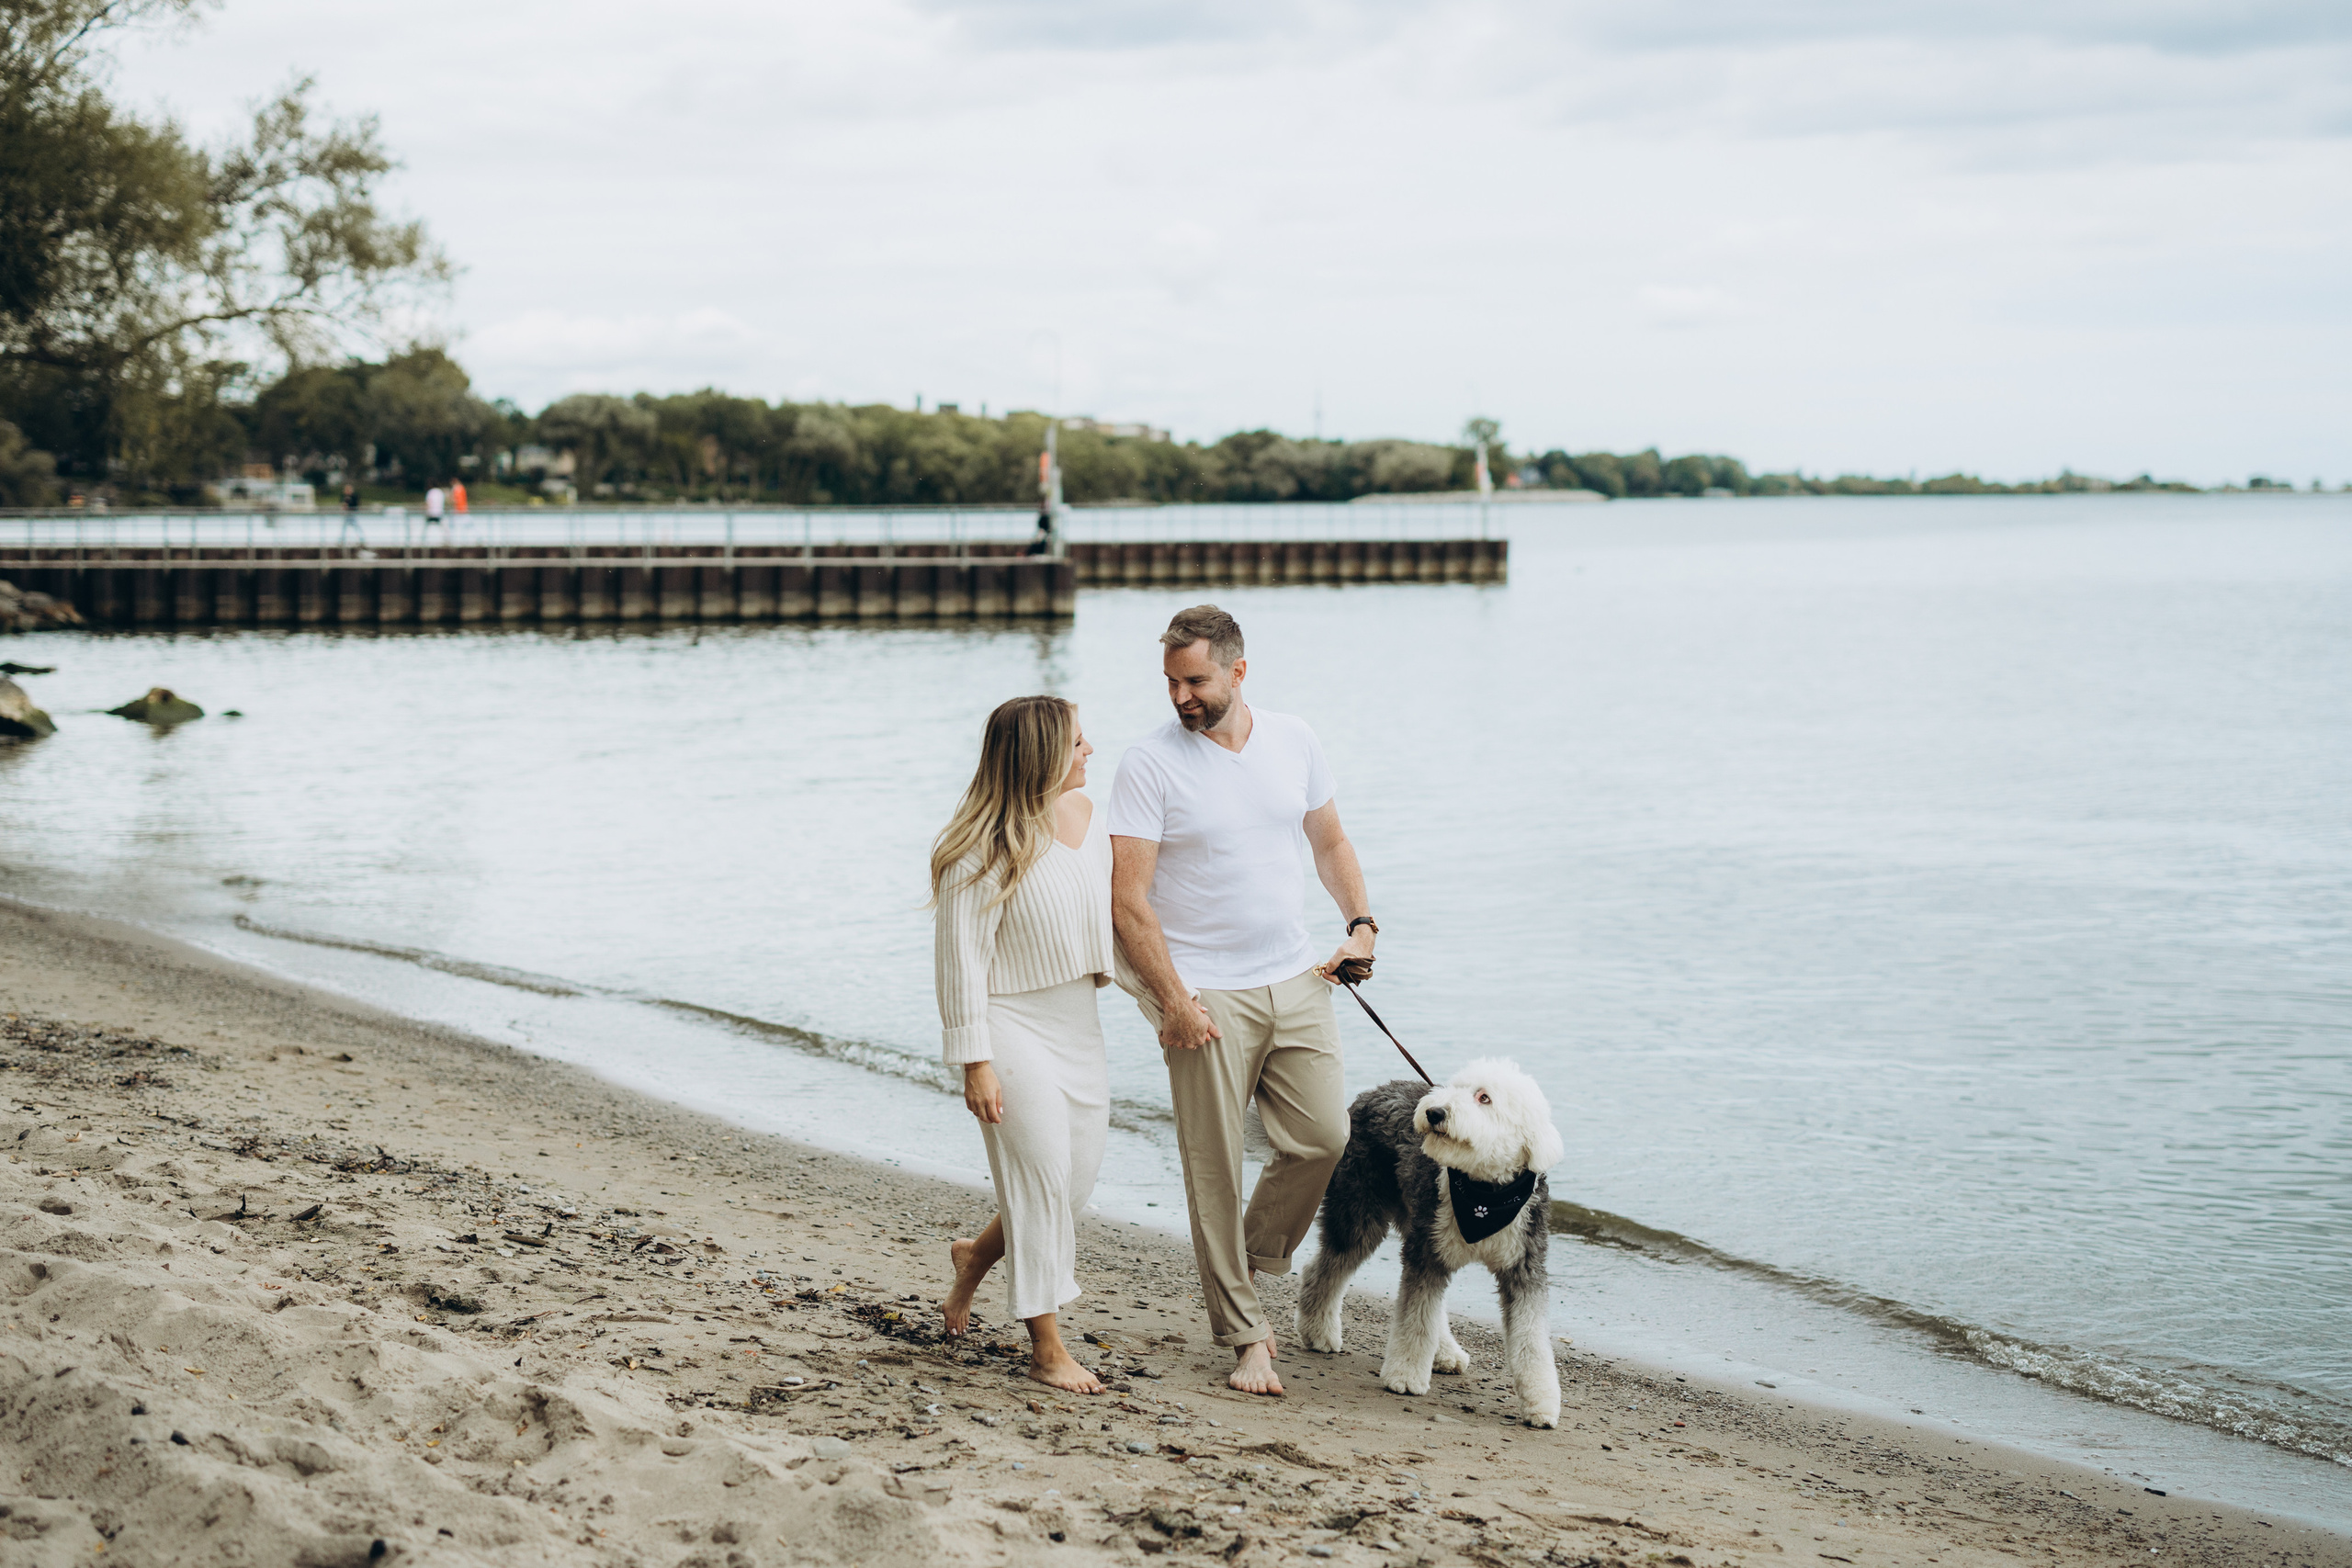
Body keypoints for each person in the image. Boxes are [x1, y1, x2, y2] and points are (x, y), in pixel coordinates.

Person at [1108, 604, 1377, 1396]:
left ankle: (1254, 1251)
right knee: (1213, 1168)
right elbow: (1128, 903)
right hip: (1203, 991)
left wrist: (1359, 926)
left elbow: (1329, 842)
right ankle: (1245, 1334)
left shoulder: (1294, 739)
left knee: (1325, 1136)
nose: (1181, 696)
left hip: (1299, 976)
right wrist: (1173, 1000)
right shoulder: (1148, 764)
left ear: (1237, 672)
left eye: (1195, 680)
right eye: (1171, 682)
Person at [933, 694, 1116, 1393]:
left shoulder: (1088, 819)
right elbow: (960, 959)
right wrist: (973, 1060)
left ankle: (973, 1259)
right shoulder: (977, 845)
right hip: (1008, 1025)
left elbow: (1108, 926)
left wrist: (1173, 1001)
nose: (1090, 751)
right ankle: (1046, 1348)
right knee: (1039, 1181)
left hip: (1079, 1025)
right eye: (1077, 743)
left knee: (1072, 1184)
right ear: (1040, 754)